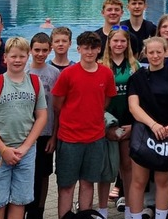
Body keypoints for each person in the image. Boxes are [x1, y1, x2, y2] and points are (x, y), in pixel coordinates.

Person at [0, 37, 49, 219]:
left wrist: (25, 147)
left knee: (20, 201)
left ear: (28, 57)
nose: (17, 60)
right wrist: (3, 150)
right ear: (5, 58)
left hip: (26, 152)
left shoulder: (34, 83)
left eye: (21, 56)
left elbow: (41, 116)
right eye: (13, 56)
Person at [52, 31, 117, 216]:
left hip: (95, 139)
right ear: (78, 49)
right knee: (66, 185)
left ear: (99, 50)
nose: (89, 52)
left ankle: (84, 214)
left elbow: (104, 102)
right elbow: (58, 104)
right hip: (70, 138)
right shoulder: (68, 74)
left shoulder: (106, 74)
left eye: (93, 48)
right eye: (85, 48)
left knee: (88, 183)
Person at [127, 37, 168, 219]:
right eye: (151, 52)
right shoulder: (137, 78)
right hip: (144, 132)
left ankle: (161, 215)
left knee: (163, 180)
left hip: (167, 133)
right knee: (139, 181)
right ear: (146, 53)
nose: (155, 56)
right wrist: (152, 124)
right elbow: (133, 107)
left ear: (164, 52)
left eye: (158, 52)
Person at [25, 33, 63, 219]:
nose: (40, 54)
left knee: (42, 174)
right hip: (23, 133)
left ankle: (38, 210)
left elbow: (57, 109)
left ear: (50, 50)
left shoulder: (54, 73)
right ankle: (22, 206)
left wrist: (54, 136)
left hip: (45, 133)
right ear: (31, 50)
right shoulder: (23, 70)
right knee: (26, 173)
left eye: (44, 50)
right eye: (36, 50)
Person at [102, 27, 139, 212]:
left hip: (128, 125)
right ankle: (101, 210)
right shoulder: (101, 65)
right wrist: (105, 126)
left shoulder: (135, 66)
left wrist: (134, 125)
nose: (119, 44)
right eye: (115, 41)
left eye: (122, 41)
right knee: (105, 169)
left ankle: (132, 212)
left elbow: (142, 99)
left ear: (127, 44)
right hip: (107, 126)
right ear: (109, 42)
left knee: (127, 168)